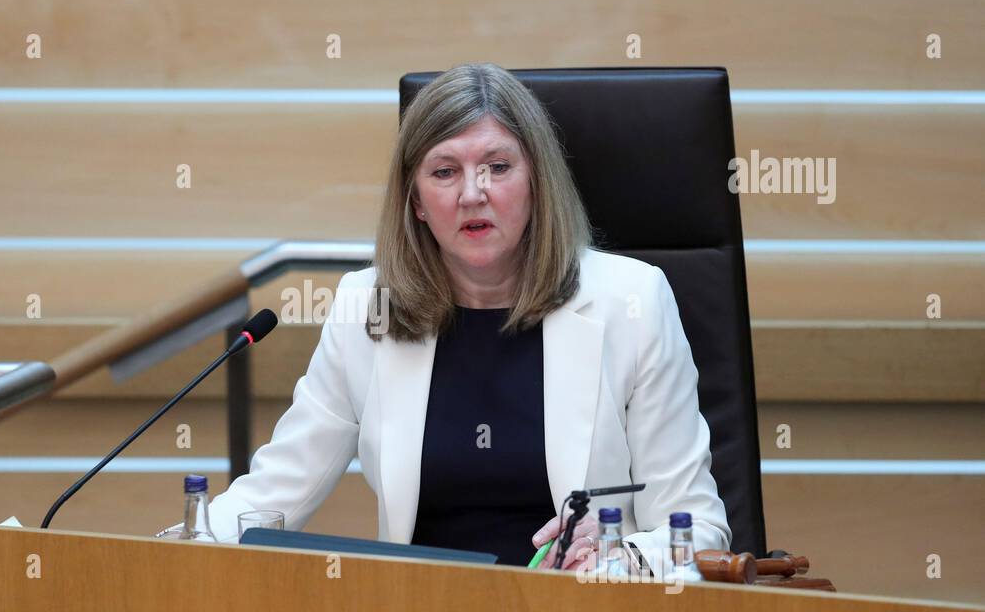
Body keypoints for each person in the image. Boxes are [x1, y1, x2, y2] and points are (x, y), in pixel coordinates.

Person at [205, 62, 730, 571]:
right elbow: (274, 493)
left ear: (537, 183)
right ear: (415, 201)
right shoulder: (366, 309)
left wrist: (618, 553)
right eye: (444, 171)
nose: (472, 194)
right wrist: (182, 544)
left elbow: (699, 528)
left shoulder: (632, 302)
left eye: (497, 167)